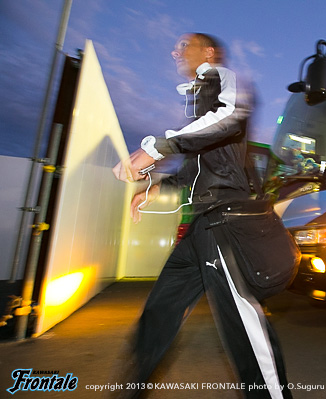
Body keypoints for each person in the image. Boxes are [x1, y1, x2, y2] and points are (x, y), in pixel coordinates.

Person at [111, 33, 292, 398]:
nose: (176, 51)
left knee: (245, 330)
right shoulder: (198, 100)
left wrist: (156, 149)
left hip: (225, 220)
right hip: (201, 227)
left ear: (208, 52)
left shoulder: (222, 77)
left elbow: (229, 117)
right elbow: (197, 166)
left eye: (184, 44)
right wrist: (154, 187)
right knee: (159, 313)